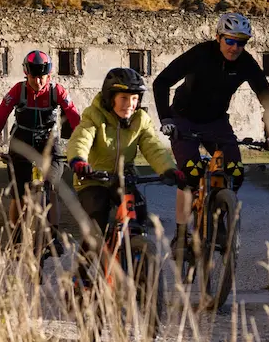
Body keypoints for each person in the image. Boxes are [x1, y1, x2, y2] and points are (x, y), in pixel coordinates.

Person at [151, 12, 269, 254]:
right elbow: (161, 82)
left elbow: (266, 96)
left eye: (241, 42)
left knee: (235, 171)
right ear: (218, 37)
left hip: (216, 122)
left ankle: (218, 220)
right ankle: (182, 235)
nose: (235, 48)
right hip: (184, 119)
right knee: (190, 173)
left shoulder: (246, 63)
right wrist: (166, 119)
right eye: (230, 41)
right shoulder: (201, 54)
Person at [65, 67, 182, 287]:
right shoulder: (94, 116)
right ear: (111, 98)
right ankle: (80, 275)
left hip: (124, 177)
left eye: (135, 98)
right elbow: (81, 138)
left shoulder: (141, 119)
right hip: (92, 178)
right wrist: (79, 161)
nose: (130, 104)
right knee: (97, 223)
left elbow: (153, 147)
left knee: (138, 214)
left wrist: (168, 169)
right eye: (124, 98)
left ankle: (135, 259)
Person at [0, 50, 81, 237]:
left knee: (52, 187)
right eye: (33, 77)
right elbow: (0, 117)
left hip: (49, 142)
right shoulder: (17, 91)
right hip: (22, 141)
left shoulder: (57, 91)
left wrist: (83, 146)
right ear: (26, 74)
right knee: (19, 194)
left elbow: (74, 116)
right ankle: (15, 236)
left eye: (42, 77)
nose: (38, 82)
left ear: (49, 75)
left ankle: (54, 234)